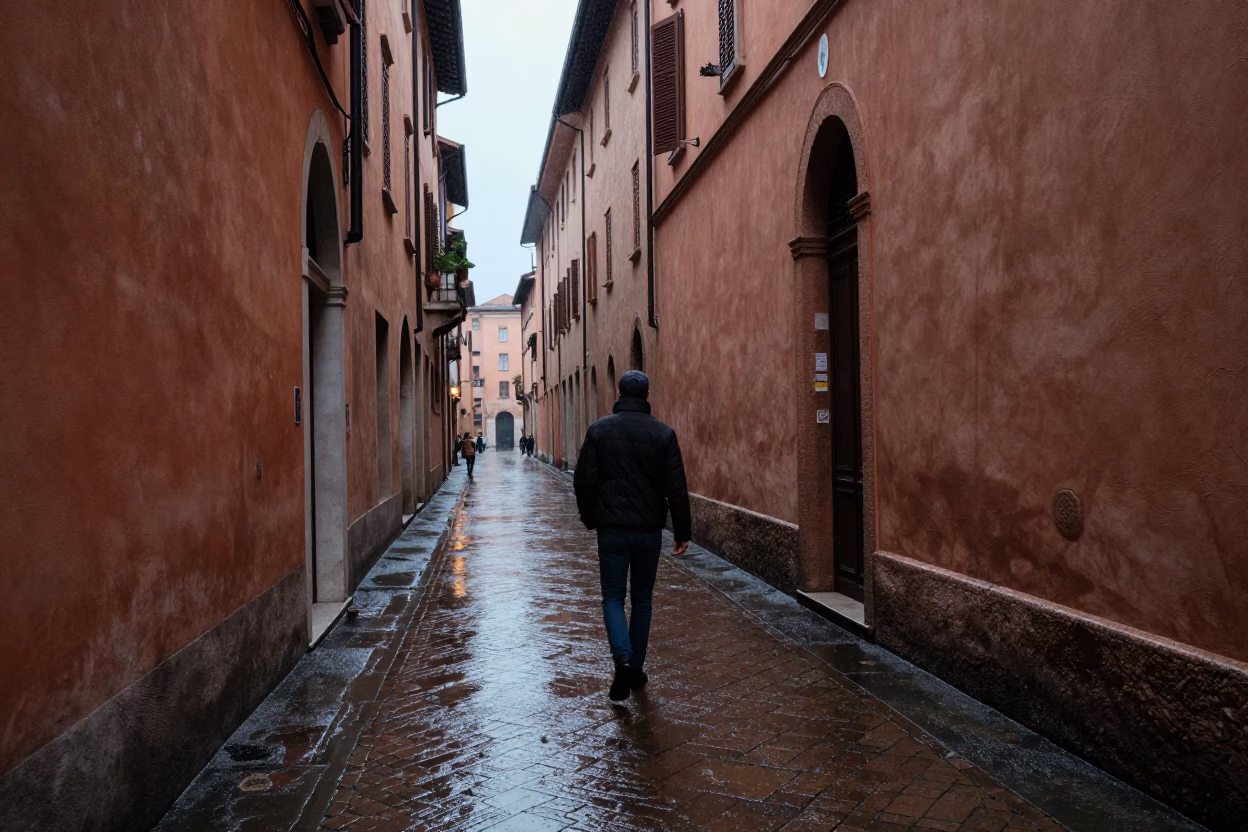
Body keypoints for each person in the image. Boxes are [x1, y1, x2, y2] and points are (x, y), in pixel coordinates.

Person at [573, 370, 691, 704]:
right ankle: (634, 666)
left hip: (611, 528)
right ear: (647, 395)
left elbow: (583, 481)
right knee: (642, 599)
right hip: (649, 530)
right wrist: (682, 531)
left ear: (620, 392)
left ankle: (622, 659)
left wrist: (589, 517)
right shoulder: (663, 434)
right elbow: (677, 488)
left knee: (612, 597)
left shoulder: (599, 430)